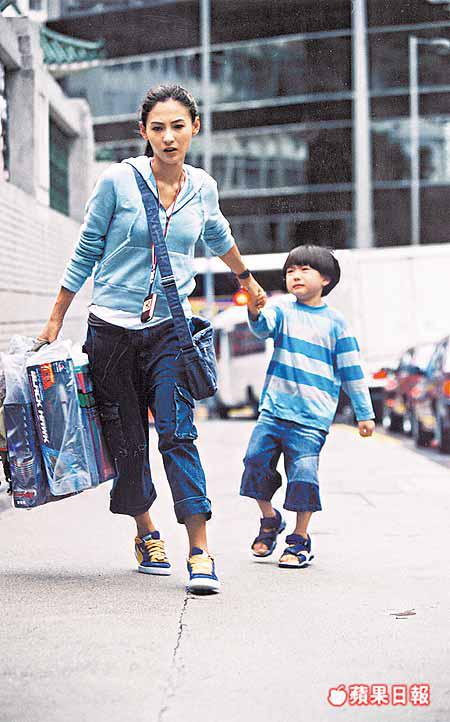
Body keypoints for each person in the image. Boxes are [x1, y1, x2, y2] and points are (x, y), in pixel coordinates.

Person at [37, 84, 265, 594]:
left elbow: (218, 233)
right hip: (111, 330)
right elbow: (87, 248)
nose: (168, 137)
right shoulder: (117, 181)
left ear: (194, 128)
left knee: (178, 433)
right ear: (143, 132)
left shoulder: (202, 187)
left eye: (178, 126)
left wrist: (246, 279)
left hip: (169, 330)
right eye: (157, 128)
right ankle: (146, 532)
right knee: (127, 442)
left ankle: (200, 550)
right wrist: (56, 318)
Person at [240, 244, 375, 568]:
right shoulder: (282, 311)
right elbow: (262, 327)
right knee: (254, 462)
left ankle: (299, 540)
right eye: (290, 271)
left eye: (304, 270)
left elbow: (351, 371)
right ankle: (270, 519)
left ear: (326, 279)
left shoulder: (336, 324)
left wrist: (364, 413)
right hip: (273, 412)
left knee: (303, 476)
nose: (295, 276)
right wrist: (255, 310)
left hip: (312, 419)